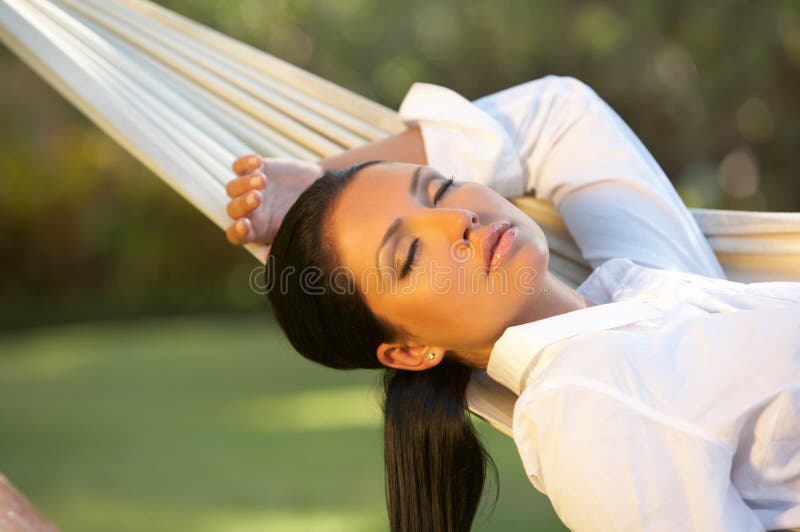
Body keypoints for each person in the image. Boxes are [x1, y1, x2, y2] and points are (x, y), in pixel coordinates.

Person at [224, 76, 800, 531]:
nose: (459, 220)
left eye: (441, 188)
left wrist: (319, 179)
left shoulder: (642, 283)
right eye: (410, 254)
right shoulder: (590, 411)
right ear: (410, 350)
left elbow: (560, 115)